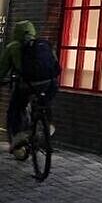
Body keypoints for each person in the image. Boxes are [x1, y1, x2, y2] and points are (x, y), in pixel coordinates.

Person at [0, 21, 60, 155]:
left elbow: (2, 69)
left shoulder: (13, 46)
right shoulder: (43, 44)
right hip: (50, 83)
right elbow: (55, 64)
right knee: (44, 102)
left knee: (16, 107)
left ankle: (19, 135)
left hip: (28, 84)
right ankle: (47, 125)